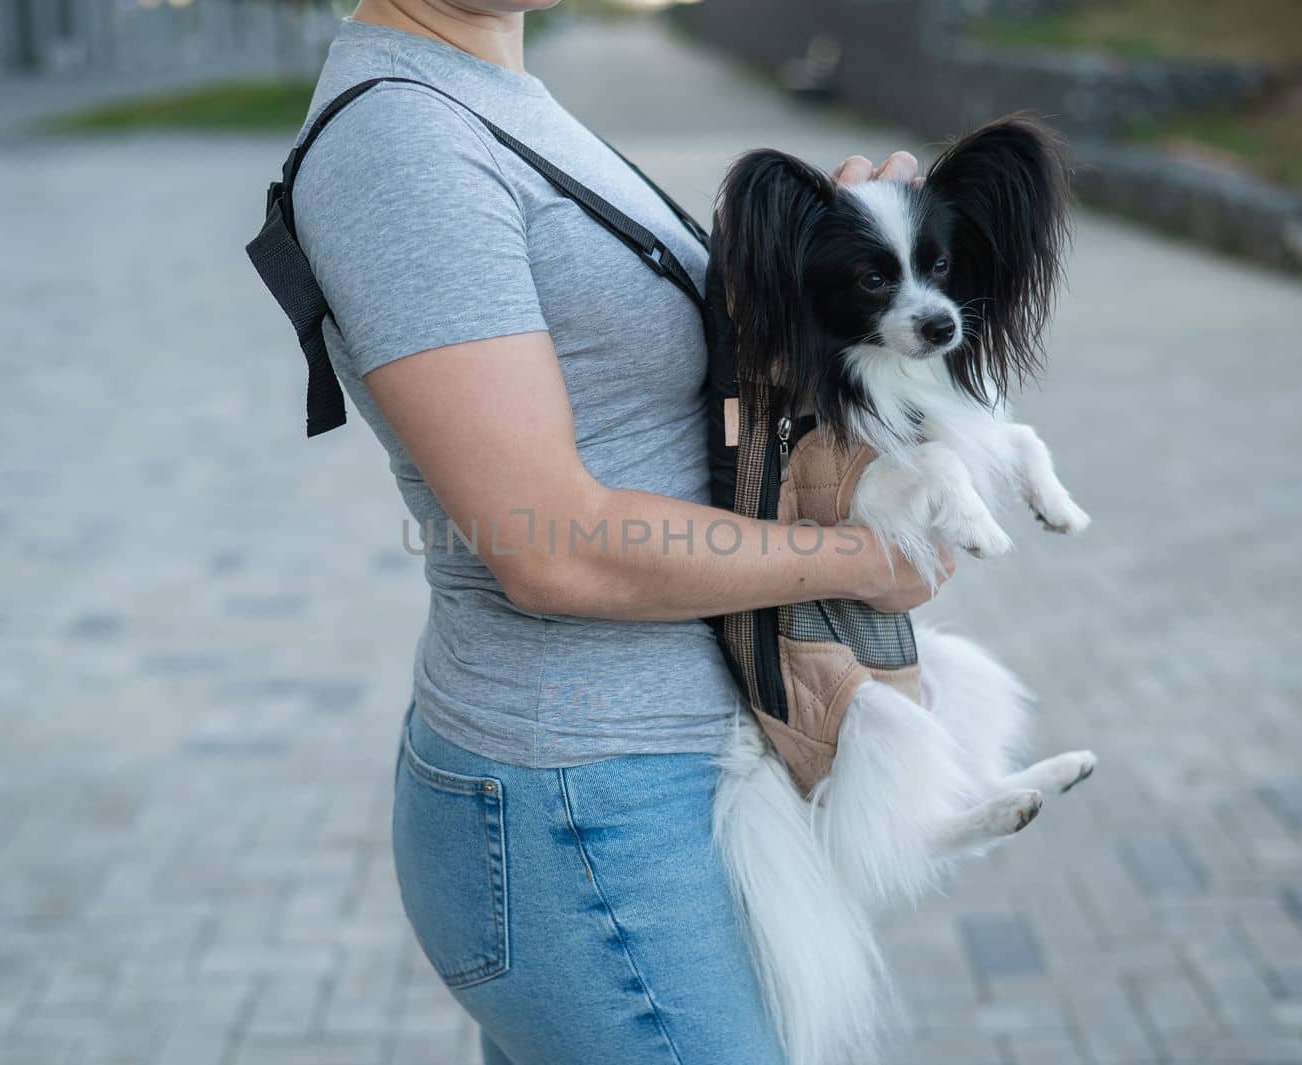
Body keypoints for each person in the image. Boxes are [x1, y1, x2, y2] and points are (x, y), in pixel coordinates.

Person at [291, 2, 948, 1061]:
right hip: (585, 800)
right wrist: (869, 563)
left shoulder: (495, 94)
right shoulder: (402, 141)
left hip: (650, 780)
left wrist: (831, 261)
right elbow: (548, 542)